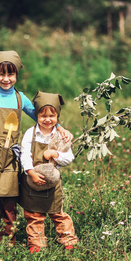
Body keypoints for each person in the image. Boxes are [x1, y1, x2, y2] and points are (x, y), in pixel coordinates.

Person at [0, 51, 73, 245]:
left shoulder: (21, 99)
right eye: (1, 74)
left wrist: (59, 127)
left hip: (12, 154)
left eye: (10, 74)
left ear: (16, 75)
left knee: (10, 196)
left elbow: (42, 118)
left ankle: (8, 239)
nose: (6, 79)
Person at [19, 91, 78, 252]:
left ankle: (67, 238)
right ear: (36, 115)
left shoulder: (60, 136)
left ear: (57, 116)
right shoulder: (30, 134)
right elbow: (25, 155)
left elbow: (69, 158)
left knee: (57, 212)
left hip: (52, 183)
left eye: (52, 116)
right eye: (42, 115)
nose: (47, 119)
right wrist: (31, 172)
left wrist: (56, 154)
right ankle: (37, 243)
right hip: (32, 181)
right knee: (33, 215)